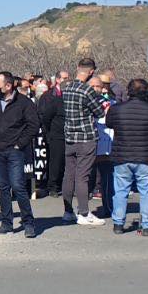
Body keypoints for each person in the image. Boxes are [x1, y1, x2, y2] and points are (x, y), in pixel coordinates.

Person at [0, 71, 40, 238]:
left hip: (15, 151)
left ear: (8, 86)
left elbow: (33, 125)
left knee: (18, 186)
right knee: (3, 188)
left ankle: (28, 223)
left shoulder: (24, 103)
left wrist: (19, 144)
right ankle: (6, 223)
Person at [106, 78, 148, 235]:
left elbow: (109, 123)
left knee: (120, 191)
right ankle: (147, 225)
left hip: (122, 154)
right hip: (145, 155)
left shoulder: (117, 109)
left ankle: (118, 223)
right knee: (146, 191)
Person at [59, 60, 105, 226]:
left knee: (69, 175)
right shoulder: (87, 90)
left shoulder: (67, 88)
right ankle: (84, 213)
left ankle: (68, 211)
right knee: (82, 177)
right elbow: (99, 112)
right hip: (86, 137)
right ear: (91, 72)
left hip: (70, 136)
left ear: (78, 68)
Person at [37, 74, 67, 201]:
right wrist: (49, 132)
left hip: (69, 135)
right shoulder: (54, 101)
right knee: (56, 161)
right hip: (56, 135)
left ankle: (63, 184)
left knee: (66, 162)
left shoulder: (72, 103)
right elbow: (46, 117)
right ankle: (53, 186)